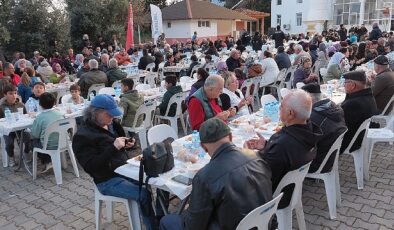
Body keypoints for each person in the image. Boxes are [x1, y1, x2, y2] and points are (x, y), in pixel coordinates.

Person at [160, 118, 272, 230]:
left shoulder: (204, 177)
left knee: (167, 221)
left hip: (234, 224)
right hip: (264, 223)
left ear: (203, 147)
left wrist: (187, 211)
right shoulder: (257, 157)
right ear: (231, 137)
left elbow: (194, 226)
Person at [72, 94, 155, 229]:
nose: (113, 117)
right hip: (106, 179)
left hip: (123, 169)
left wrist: (129, 144)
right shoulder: (82, 136)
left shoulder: (111, 124)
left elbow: (119, 142)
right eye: (109, 114)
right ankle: (153, 226)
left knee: (150, 180)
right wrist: (113, 147)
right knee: (144, 194)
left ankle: (158, 219)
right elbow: (91, 166)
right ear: (95, 113)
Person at [245, 89, 321, 208]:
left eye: (281, 107)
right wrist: (266, 145)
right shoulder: (310, 130)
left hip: (275, 195)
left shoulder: (283, 144)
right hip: (291, 186)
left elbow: (262, 175)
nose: (279, 110)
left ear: (290, 113)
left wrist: (248, 154)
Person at [301, 83, 347, 173]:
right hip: (329, 157)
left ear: (309, 99)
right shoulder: (333, 107)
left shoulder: (314, 117)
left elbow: (303, 142)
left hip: (317, 163)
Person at [340, 71, 378, 153]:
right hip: (361, 135)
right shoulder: (367, 95)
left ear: (353, 85)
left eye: (345, 82)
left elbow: (340, 125)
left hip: (351, 141)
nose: (343, 85)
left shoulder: (353, 104)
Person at [31, 92, 65, 172]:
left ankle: (47, 161)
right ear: (54, 103)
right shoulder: (60, 114)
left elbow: (35, 135)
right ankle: (51, 160)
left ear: (40, 104)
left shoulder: (39, 117)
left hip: (48, 145)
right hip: (63, 142)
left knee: (32, 142)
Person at [0, 84, 31, 167]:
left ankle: (26, 152)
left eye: (15, 93)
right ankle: (11, 156)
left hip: (20, 128)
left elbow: (26, 116)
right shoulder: (1, 107)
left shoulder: (21, 105)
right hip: (8, 130)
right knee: (9, 142)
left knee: (29, 138)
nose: (13, 95)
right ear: (5, 95)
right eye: (10, 93)